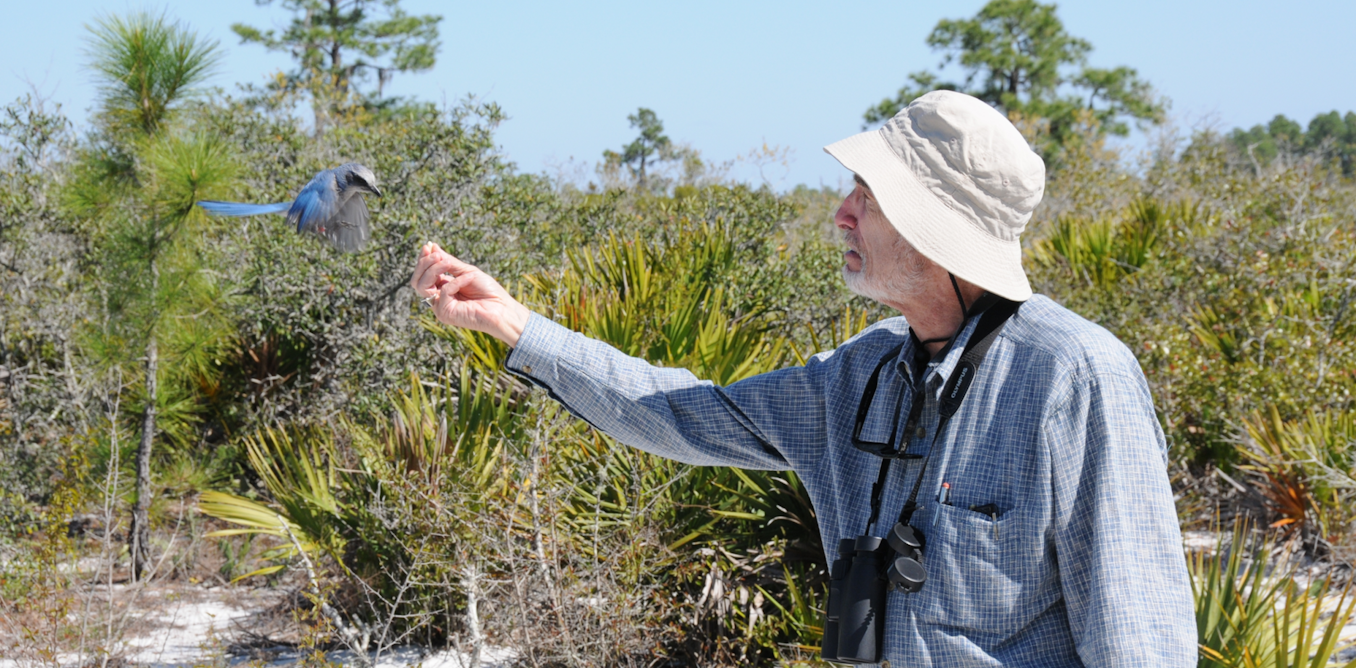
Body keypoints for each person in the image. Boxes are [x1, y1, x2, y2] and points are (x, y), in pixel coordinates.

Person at [410, 90, 1195, 667]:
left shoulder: (1075, 379)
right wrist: (516, 327)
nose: (841, 215)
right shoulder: (861, 372)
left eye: (868, 196)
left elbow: (1141, 641)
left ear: (937, 228)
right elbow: (677, 412)